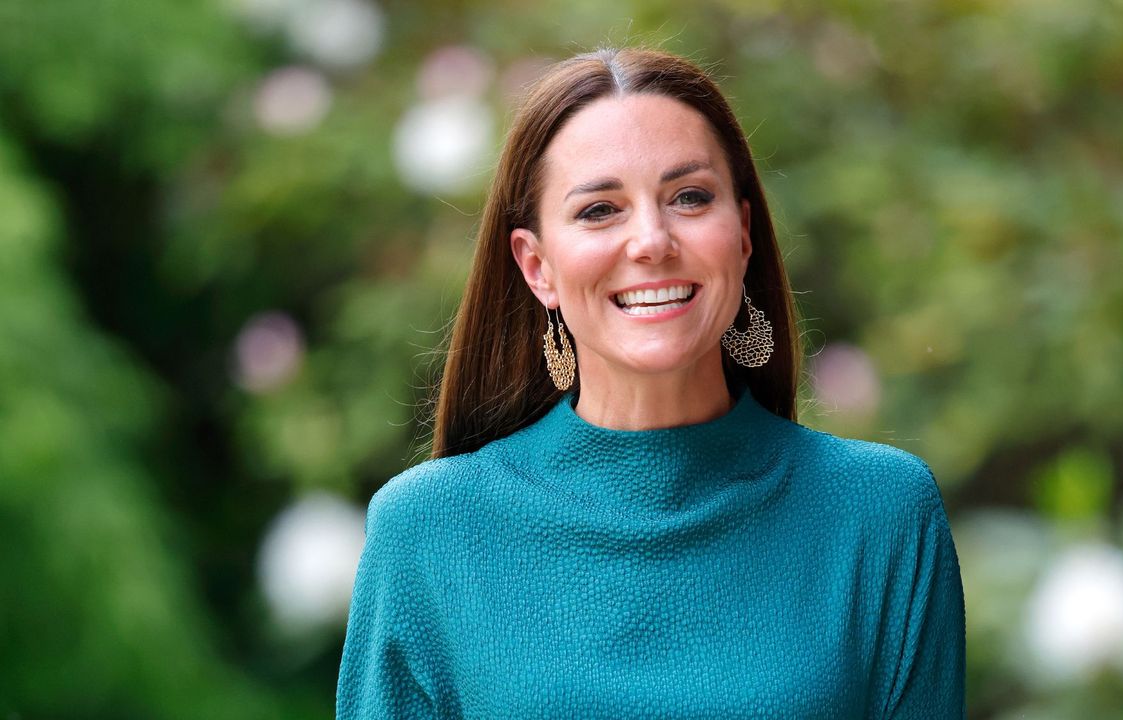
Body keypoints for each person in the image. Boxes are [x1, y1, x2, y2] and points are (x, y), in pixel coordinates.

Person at [337, 47, 965, 719]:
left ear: (743, 233)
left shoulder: (881, 515)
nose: (652, 240)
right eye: (600, 210)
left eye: (689, 197)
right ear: (537, 265)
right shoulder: (427, 532)